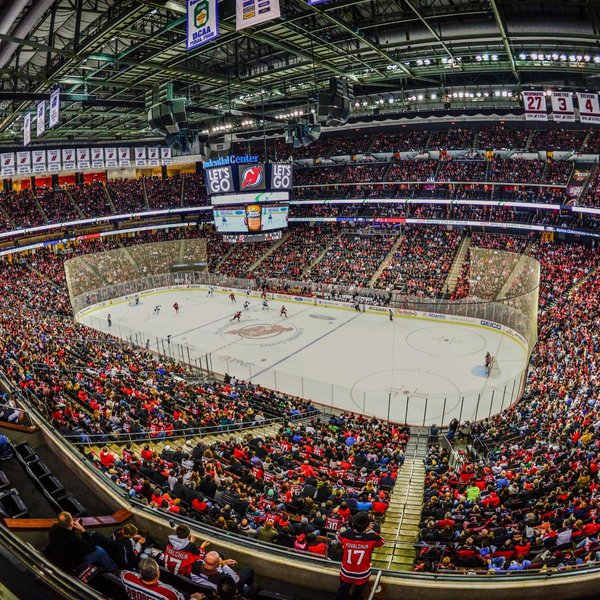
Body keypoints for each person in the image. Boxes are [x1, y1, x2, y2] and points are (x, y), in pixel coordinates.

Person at [46, 511, 117, 572]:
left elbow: (65, 532)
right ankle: (113, 569)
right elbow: (92, 547)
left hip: (56, 558)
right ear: (71, 523)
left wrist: (72, 528)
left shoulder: (54, 528)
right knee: (99, 550)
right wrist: (83, 531)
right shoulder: (75, 540)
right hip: (70, 566)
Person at [336, 512, 384, 600]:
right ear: (367, 525)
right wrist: (369, 531)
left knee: (342, 593)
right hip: (362, 574)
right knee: (359, 595)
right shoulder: (372, 537)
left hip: (346, 572)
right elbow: (382, 542)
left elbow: (338, 538)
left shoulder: (346, 534)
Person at [121, 557, 205, 600]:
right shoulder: (168, 593)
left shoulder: (127, 576)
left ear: (140, 572)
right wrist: (194, 598)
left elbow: (123, 572)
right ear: (158, 573)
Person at [190, 550, 254, 594]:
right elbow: (236, 579)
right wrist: (223, 564)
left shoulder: (195, 564)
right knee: (248, 570)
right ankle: (247, 588)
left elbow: (204, 561)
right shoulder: (224, 578)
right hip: (224, 588)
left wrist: (222, 562)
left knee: (220, 555)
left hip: (201, 587)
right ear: (218, 564)